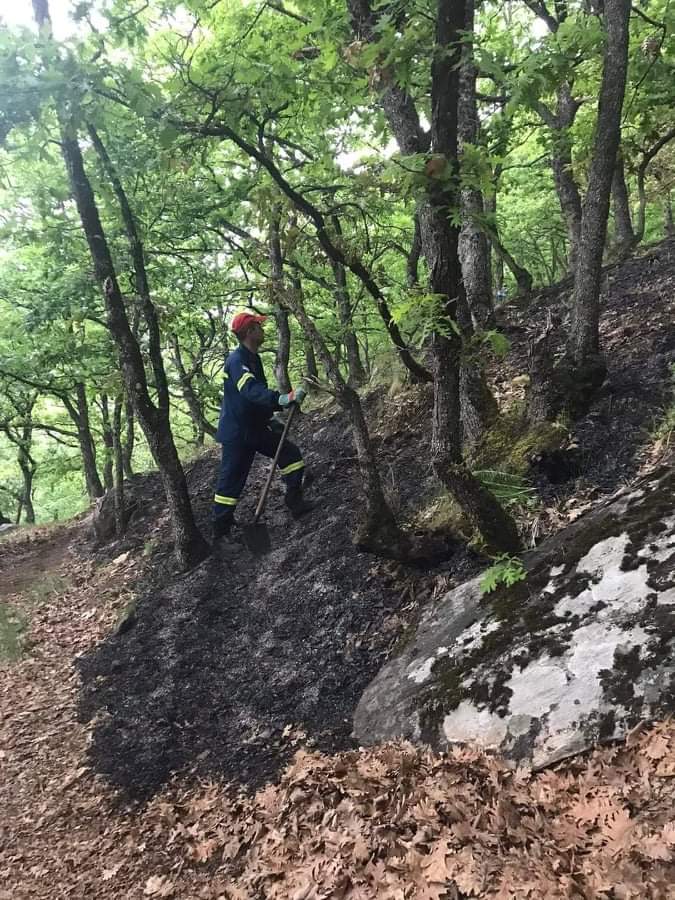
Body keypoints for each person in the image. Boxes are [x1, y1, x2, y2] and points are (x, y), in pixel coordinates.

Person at [212, 311, 312, 540]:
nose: (263, 329)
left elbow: (254, 399)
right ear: (250, 332)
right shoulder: (236, 361)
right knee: (231, 482)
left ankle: (295, 501)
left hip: (256, 428)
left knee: (290, 454)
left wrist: (269, 418)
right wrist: (281, 399)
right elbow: (250, 391)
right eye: (259, 326)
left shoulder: (253, 358)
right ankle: (221, 533)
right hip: (237, 433)